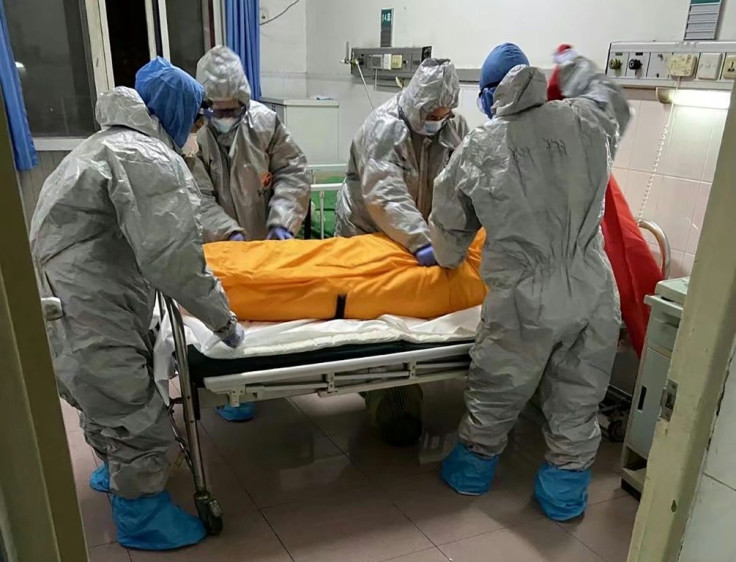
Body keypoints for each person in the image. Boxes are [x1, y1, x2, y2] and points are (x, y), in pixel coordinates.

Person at [30, 57, 245, 550]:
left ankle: (115, 470)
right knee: (136, 413)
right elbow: (175, 260)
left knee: (101, 396)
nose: (197, 131)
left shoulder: (100, 146)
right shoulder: (147, 158)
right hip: (94, 305)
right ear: (175, 111)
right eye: (196, 119)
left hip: (69, 300)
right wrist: (223, 321)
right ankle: (140, 515)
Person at [430, 43, 630, 521]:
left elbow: (447, 230)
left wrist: (447, 258)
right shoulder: (586, 121)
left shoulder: (480, 147)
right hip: (592, 289)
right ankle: (563, 496)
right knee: (579, 396)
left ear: (488, 95)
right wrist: (574, 63)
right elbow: (615, 101)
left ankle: (472, 472)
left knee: (498, 387)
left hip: (525, 298)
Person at [187, 45, 311, 422]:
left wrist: (282, 221)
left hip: (266, 239)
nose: (224, 117)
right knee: (226, 312)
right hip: (220, 246)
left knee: (267, 312)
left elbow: (294, 171)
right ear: (204, 104)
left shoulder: (264, 123)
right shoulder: (191, 136)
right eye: (217, 109)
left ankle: (265, 377)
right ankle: (231, 389)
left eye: (233, 109)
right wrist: (229, 234)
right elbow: (196, 198)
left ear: (244, 101)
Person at [335, 58, 469, 267]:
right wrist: (421, 241)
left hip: (412, 238)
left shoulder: (453, 127)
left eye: (444, 115)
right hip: (366, 232)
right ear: (418, 107)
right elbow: (385, 194)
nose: (438, 122)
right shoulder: (383, 128)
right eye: (433, 115)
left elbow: (462, 183)